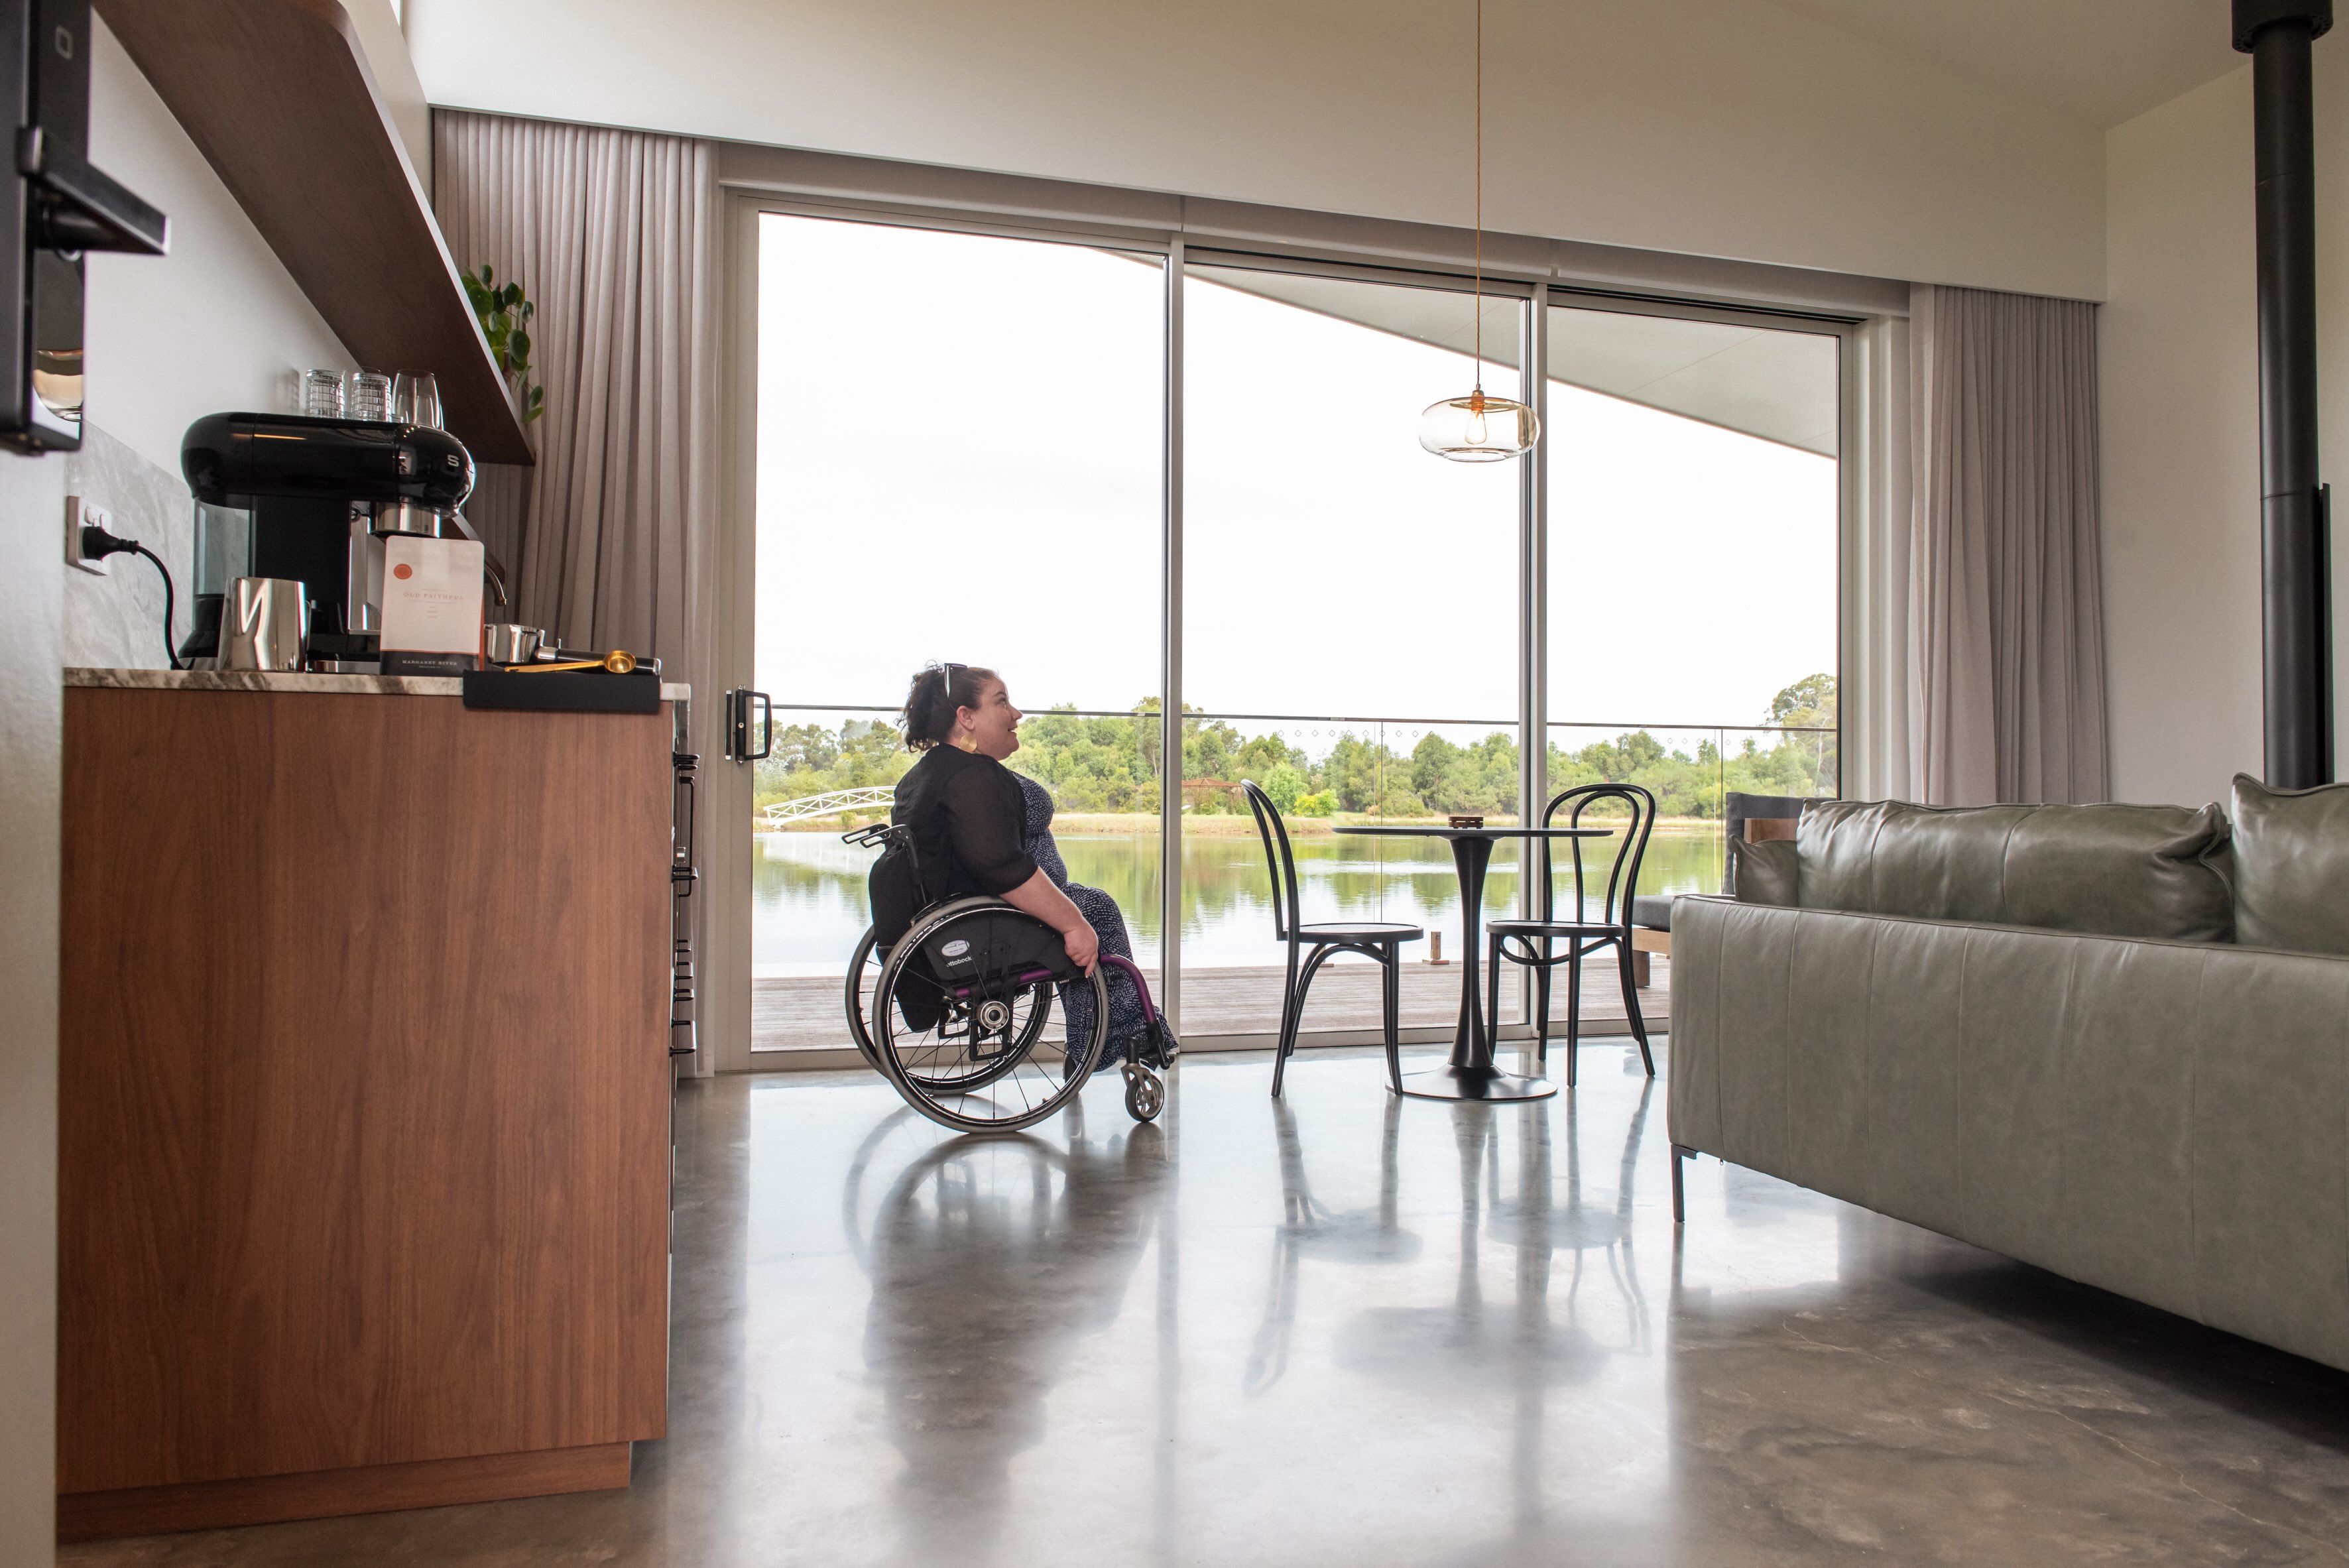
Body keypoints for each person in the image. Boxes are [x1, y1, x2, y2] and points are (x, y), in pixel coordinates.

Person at [892, 662, 1174, 1069]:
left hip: (969, 914)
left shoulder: (935, 773)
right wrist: (1073, 922)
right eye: (1002, 702)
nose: (1017, 714)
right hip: (989, 923)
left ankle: (1107, 1041)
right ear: (966, 718)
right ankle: (1117, 1040)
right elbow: (1000, 866)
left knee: (1090, 905)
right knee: (1095, 909)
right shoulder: (970, 779)